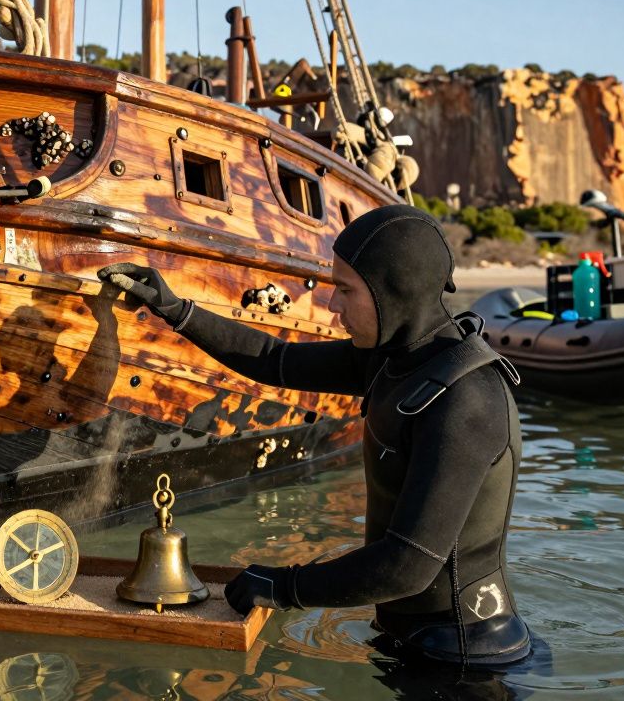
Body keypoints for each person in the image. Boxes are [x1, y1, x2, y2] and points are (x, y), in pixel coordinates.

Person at [98, 204, 531, 667]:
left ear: (393, 290)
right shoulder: (393, 357)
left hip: (467, 658)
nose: (332, 306)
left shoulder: (465, 400)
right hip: (411, 638)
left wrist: (285, 586)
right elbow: (276, 360)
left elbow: (408, 566)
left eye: (345, 290)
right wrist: (174, 308)